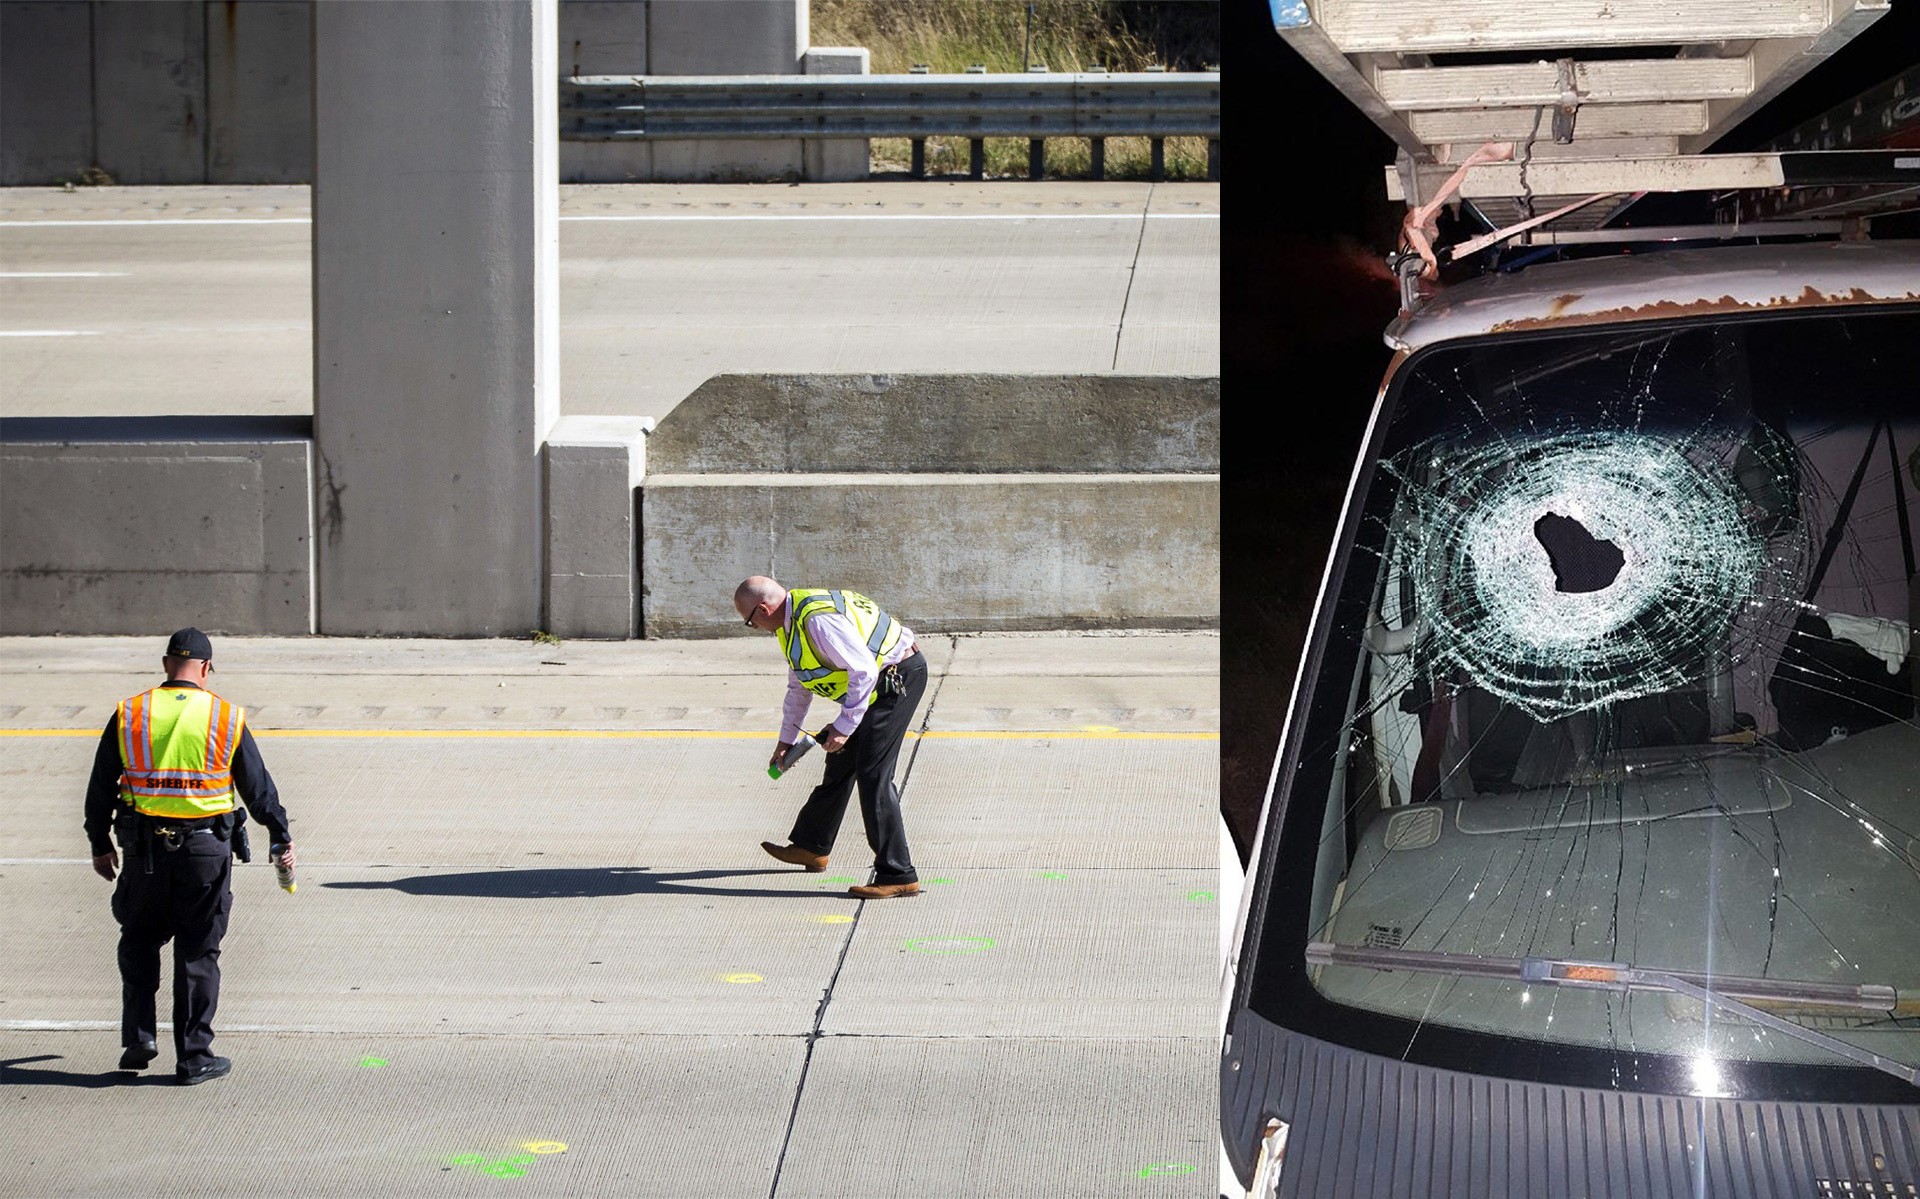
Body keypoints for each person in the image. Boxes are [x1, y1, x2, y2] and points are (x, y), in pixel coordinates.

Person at [83, 628, 295, 1085]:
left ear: (165, 664)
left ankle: (139, 1037)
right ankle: (194, 1058)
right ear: (206, 668)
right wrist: (279, 834)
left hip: (143, 852)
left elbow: (100, 787)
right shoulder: (224, 716)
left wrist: (99, 844)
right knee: (198, 951)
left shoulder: (130, 713)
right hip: (204, 850)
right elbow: (257, 789)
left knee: (139, 938)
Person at [734, 577, 926, 899]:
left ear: (764, 609)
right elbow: (799, 687)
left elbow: (864, 671)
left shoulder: (818, 622)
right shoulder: (791, 626)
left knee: (873, 774)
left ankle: (899, 874)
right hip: (874, 686)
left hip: (897, 679)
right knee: (839, 762)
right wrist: (787, 738)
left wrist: (844, 726)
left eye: (750, 622)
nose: (753, 627)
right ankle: (812, 847)